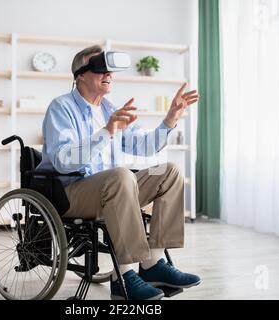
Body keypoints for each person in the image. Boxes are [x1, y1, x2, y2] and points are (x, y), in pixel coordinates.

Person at [37, 45, 201, 300]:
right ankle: (123, 276)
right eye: (100, 68)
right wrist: (106, 132)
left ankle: (153, 265)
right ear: (80, 74)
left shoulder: (108, 109)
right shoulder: (61, 108)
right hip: (72, 192)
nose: (109, 74)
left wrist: (170, 119)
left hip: (115, 187)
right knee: (122, 174)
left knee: (168, 171)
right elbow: (62, 161)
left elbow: (145, 147)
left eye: (110, 70)